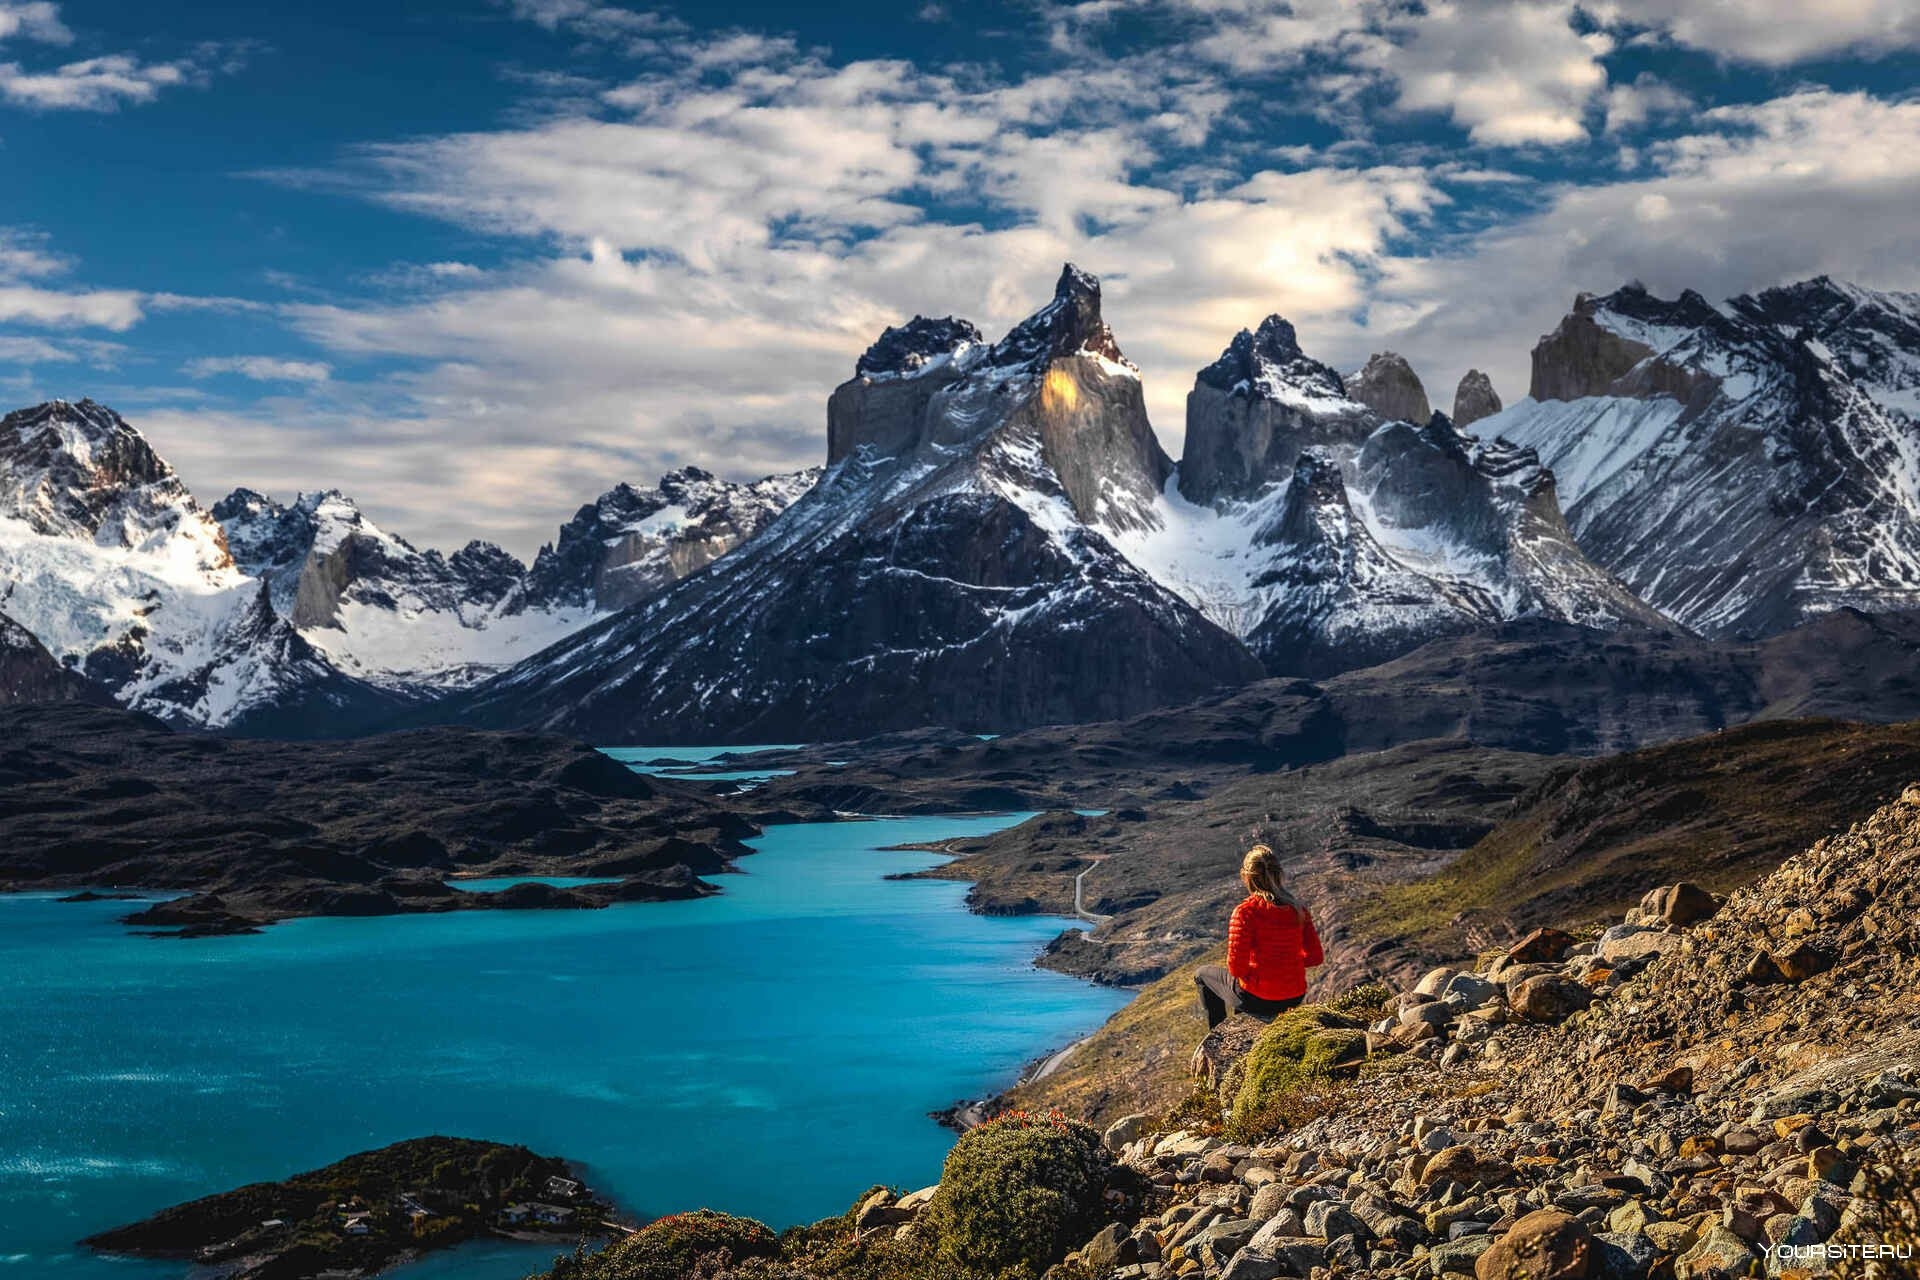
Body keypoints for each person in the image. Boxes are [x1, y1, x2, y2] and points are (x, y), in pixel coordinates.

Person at [1193, 844, 1324, 1030]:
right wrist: (1284, 963)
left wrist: (1265, 970)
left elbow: (1237, 969)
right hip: (1294, 997)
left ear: (1246, 877)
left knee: (1201, 974)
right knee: (1242, 987)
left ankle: (1218, 1033)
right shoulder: (1298, 910)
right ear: (1279, 874)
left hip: (1257, 999)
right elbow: (1315, 958)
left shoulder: (1246, 912)